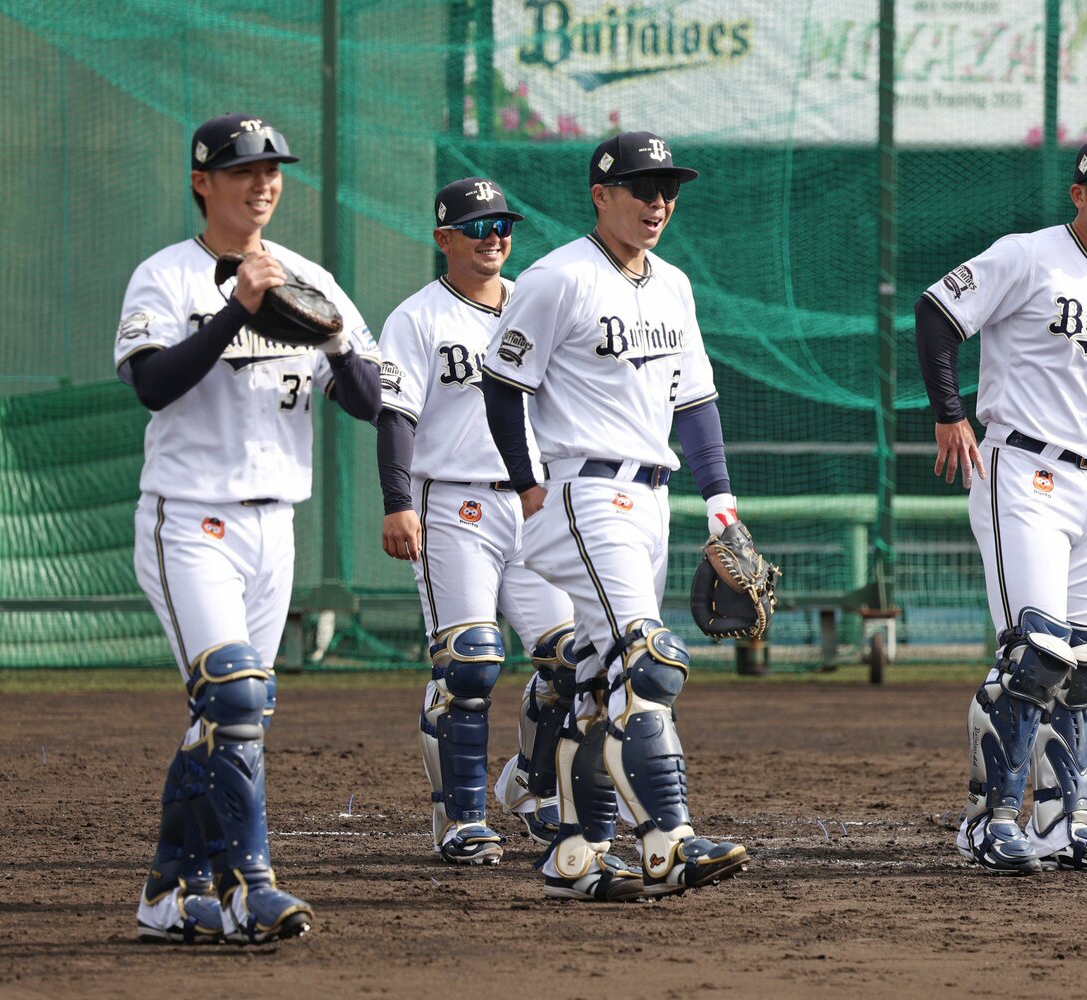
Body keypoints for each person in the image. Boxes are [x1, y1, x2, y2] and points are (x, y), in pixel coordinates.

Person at [117, 113, 382, 943]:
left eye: (272, 170)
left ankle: (170, 893)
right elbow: (153, 385)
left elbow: (371, 401)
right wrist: (237, 311)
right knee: (231, 694)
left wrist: (338, 342)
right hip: (189, 520)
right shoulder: (165, 277)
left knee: (234, 717)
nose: (263, 183)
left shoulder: (310, 277)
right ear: (203, 182)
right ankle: (247, 889)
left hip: (276, 527)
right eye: (243, 171)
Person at [481, 131, 751, 901]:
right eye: (642, 187)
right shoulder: (557, 277)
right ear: (601, 196)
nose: (658, 201)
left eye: (668, 188)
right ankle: (669, 842)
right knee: (650, 660)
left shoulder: (674, 285)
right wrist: (528, 485)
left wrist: (720, 500)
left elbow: (694, 400)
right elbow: (502, 381)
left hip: (653, 499)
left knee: (603, 683)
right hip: (584, 491)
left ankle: (577, 853)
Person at [915, 132, 1087, 875]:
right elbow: (936, 312)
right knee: (1033, 654)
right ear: (1080, 193)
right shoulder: (1028, 256)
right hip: (1023, 469)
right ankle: (988, 821)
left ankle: (1063, 823)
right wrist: (949, 412)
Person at [375, 176, 577, 866]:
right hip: (454, 502)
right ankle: (458, 818)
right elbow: (395, 414)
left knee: (568, 659)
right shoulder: (417, 318)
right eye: (477, 227)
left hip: (534, 502)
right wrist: (397, 502)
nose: (494, 238)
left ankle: (530, 784)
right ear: (444, 238)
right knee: (469, 661)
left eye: (502, 226)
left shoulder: (533, 305)